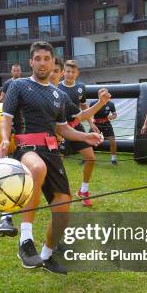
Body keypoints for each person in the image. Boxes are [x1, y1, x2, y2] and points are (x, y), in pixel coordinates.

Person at [0, 41, 103, 274]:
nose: (43, 63)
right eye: (38, 58)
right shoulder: (19, 86)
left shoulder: (58, 94)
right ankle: (25, 241)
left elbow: (63, 128)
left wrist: (86, 138)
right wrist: (6, 138)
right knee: (36, 169)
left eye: (47, 59)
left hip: (52, 151)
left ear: (53, 62)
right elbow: (5, 118)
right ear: (31, 62)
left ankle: (46, 255)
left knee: (63, 214)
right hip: (27, 148)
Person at [57, 59, 98, 207]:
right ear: (63, 72)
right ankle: (60, 192)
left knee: (91, 158)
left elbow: (83, 105)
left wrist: (91, 123)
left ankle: (84, 191)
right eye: (67, 71)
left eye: (73, 71)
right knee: (57, 163)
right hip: (61, 128)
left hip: (76, 126)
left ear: (77, 73)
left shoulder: (81, 87)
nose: (70, 74)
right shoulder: (57, 86)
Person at [0, 62, 23, 235]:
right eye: (14, 70)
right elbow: (5, 113)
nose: (17, 72)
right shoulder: (8, 85)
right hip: (20, 134)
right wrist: (5, 139)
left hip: (42, 140)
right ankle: (6, 216)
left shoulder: (29, 86)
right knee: (14, 176)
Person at [91, 98, 118, 164]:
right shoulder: (93, 103)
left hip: (106, 123)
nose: (104, 96)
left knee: (112, 141)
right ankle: (87, 158)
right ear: (99, 95)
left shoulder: (111, 104)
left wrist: (112, 116)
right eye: (102, 95)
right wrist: (91, 120)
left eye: (105, 95)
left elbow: (115, 114)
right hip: (96, 124)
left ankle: (113, 159)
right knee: (90, 140)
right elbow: (89, 114)